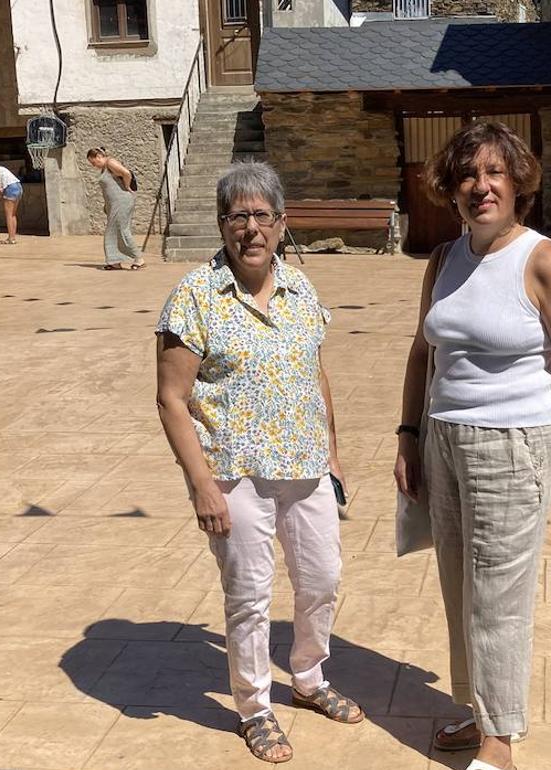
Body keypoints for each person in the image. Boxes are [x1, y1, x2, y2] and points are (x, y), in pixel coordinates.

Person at [394, 122, 551, 770]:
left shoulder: (543, 261)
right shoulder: (445, 259)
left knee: (499, 598)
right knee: (459, 586)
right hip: (445, 440)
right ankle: (477, 710)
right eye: (467, 176)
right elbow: (423, 352)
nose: (480, 186)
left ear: (517, 184)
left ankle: (500, 741)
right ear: (451, 191)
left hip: (513, 444)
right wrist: (409, 435)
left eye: (493, 173)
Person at [155, 160, 362, 765]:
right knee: (249, 595)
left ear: (281, 222)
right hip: (235, 470)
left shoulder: (301, 289)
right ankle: (254, 706)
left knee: (321, 579)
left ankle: (309, 677)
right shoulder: (194, 296)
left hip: (305, 463)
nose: (251, 228)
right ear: (222, 225)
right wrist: (201, 486)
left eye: (261, 215)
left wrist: (334, 453)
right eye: (238, 216)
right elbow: (171, 397)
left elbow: (313, 373)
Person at [86, 147, 145, 271]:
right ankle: (115, 262)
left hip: (122, 201)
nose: (94, 165)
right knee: (113, 231)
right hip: (115, 204)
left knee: (122, 230)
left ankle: (139, 258)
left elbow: (126, 173)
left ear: (98, 157)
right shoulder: (105, 167)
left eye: (93, 162)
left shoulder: (110, 163)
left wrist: (127, 186)